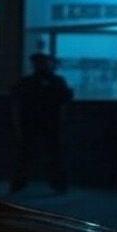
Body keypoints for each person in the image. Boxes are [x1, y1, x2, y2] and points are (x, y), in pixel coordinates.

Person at [10, 51, 73, 194]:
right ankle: (57, 184)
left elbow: (16, 101)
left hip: (36, 123)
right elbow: (65, 100)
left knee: (29, 155)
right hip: (47, 123)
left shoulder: (29, 82)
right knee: (51, 154)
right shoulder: (55, 81)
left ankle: (20, 184)